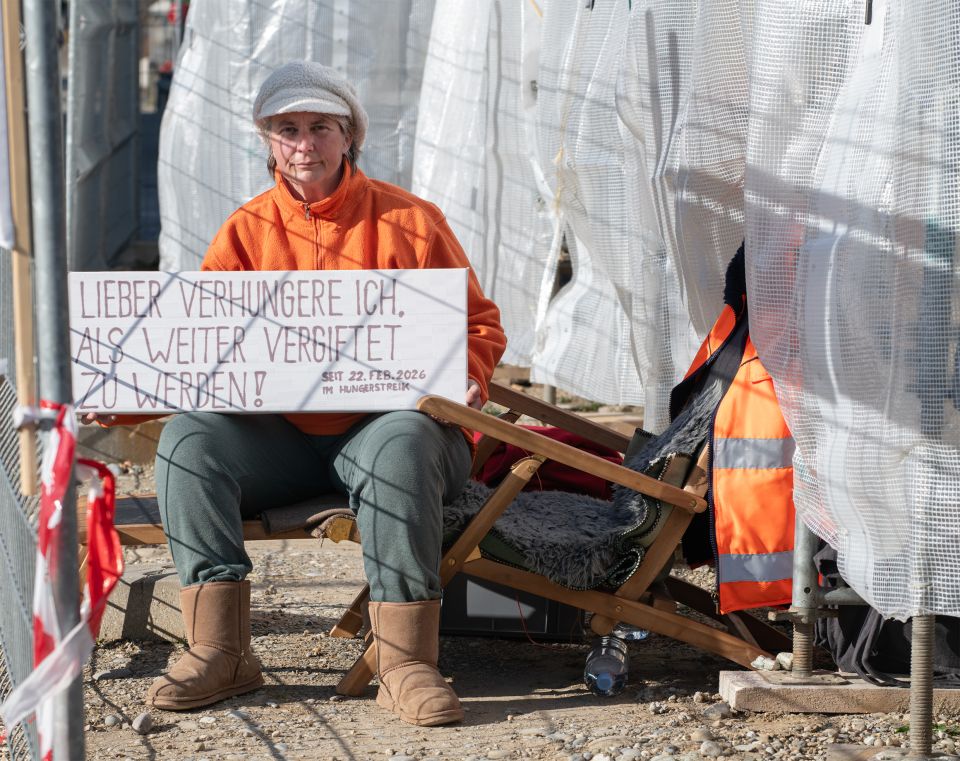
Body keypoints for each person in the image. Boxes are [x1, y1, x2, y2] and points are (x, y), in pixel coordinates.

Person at [102, 61, 506, 727]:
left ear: (349, 137)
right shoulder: (243, 231)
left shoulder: (411, 220)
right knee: (186, 442)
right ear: (267, 141)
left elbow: (479, 323)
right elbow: (201, 351)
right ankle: (221, 650)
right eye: (287, 129)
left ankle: (405, 660)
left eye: (320, 127)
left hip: (388, 429)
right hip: (280, 437)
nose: (304, 144)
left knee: (403, 440)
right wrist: (127, 394)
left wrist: (467, 369)